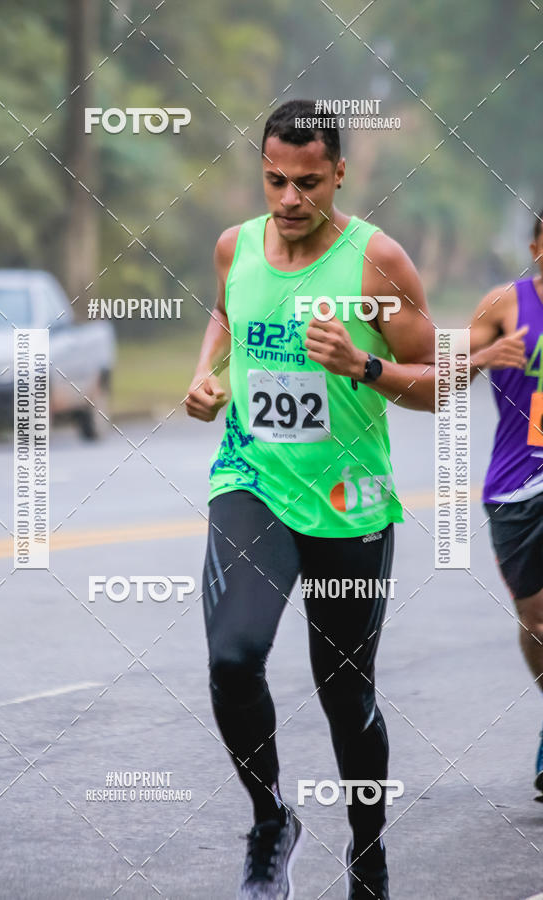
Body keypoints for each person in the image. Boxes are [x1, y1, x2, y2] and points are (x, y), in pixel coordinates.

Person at [186, 98, 435, 900]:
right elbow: (226, 314)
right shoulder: (235, 247)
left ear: (339, 175)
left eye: (307, 183)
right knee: (232, 658)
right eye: (274, 181)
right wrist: (207, 375)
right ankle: (270, 821)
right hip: (251, 480)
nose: (289, 200)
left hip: (349, 505)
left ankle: (369, 852)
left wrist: (363, 365)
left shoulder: (377, 263)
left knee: (344, 693)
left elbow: (440, 383)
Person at [469, 210, 543, 794]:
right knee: (537, 620)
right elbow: (440, 376)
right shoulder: (504, 305)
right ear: (537, 247)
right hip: (518, 486)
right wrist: (481, 359)